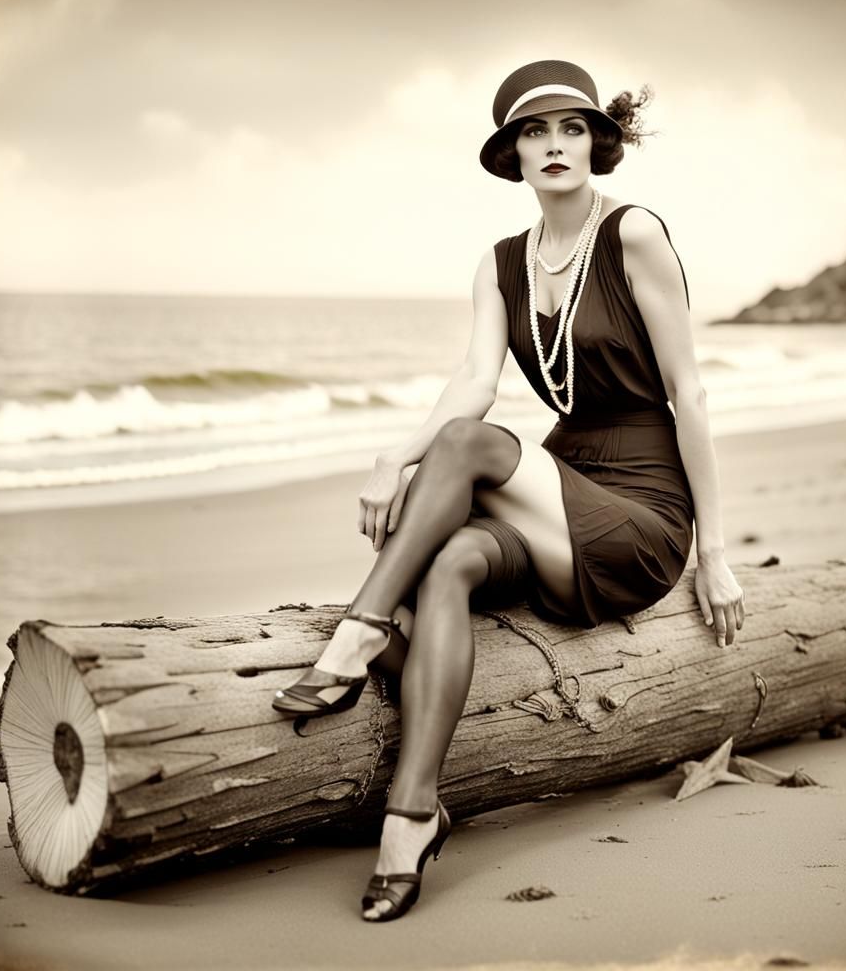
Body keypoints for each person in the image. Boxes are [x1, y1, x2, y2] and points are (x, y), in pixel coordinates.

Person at [271, 59, 745, 922]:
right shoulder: (500, 264)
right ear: (514, 156)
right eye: (534, 132)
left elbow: (692, 394)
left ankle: (357, 632)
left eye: (570, 128)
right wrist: (391, 456)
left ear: (597, 144)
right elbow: (472, 383)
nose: (554, 145)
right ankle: (414, 815)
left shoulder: (633, 232)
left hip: (640, 513)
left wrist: (713, 554)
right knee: (450, 559)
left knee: (468, 449)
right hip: (562, 494)